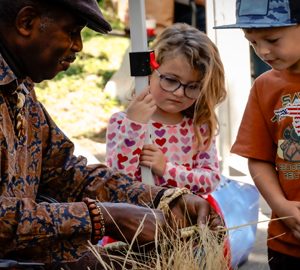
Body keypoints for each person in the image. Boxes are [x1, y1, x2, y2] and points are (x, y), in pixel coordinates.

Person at [0, 0, 223, 269]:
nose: (79, 46)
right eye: (72, 31)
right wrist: (103, 217)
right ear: (26, 23)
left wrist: (161, 199)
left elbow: (66, 172)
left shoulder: (20, 90)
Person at [215, 0, 300, 268]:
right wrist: (282, 207)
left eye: (272, 39)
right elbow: (259, 157)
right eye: (251, 41)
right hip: (287, 242)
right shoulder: (265, 87)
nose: (262, 51)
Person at [106, 23, 226, 196]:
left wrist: (166, 169)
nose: (178, 93)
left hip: (184, 219)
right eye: (170, 80)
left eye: (192, 86)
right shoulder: (122, 122)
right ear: (150, 72)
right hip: (138, 218)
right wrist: (134, 126)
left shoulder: (199, 127)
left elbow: (210, 180)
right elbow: (117, 181)